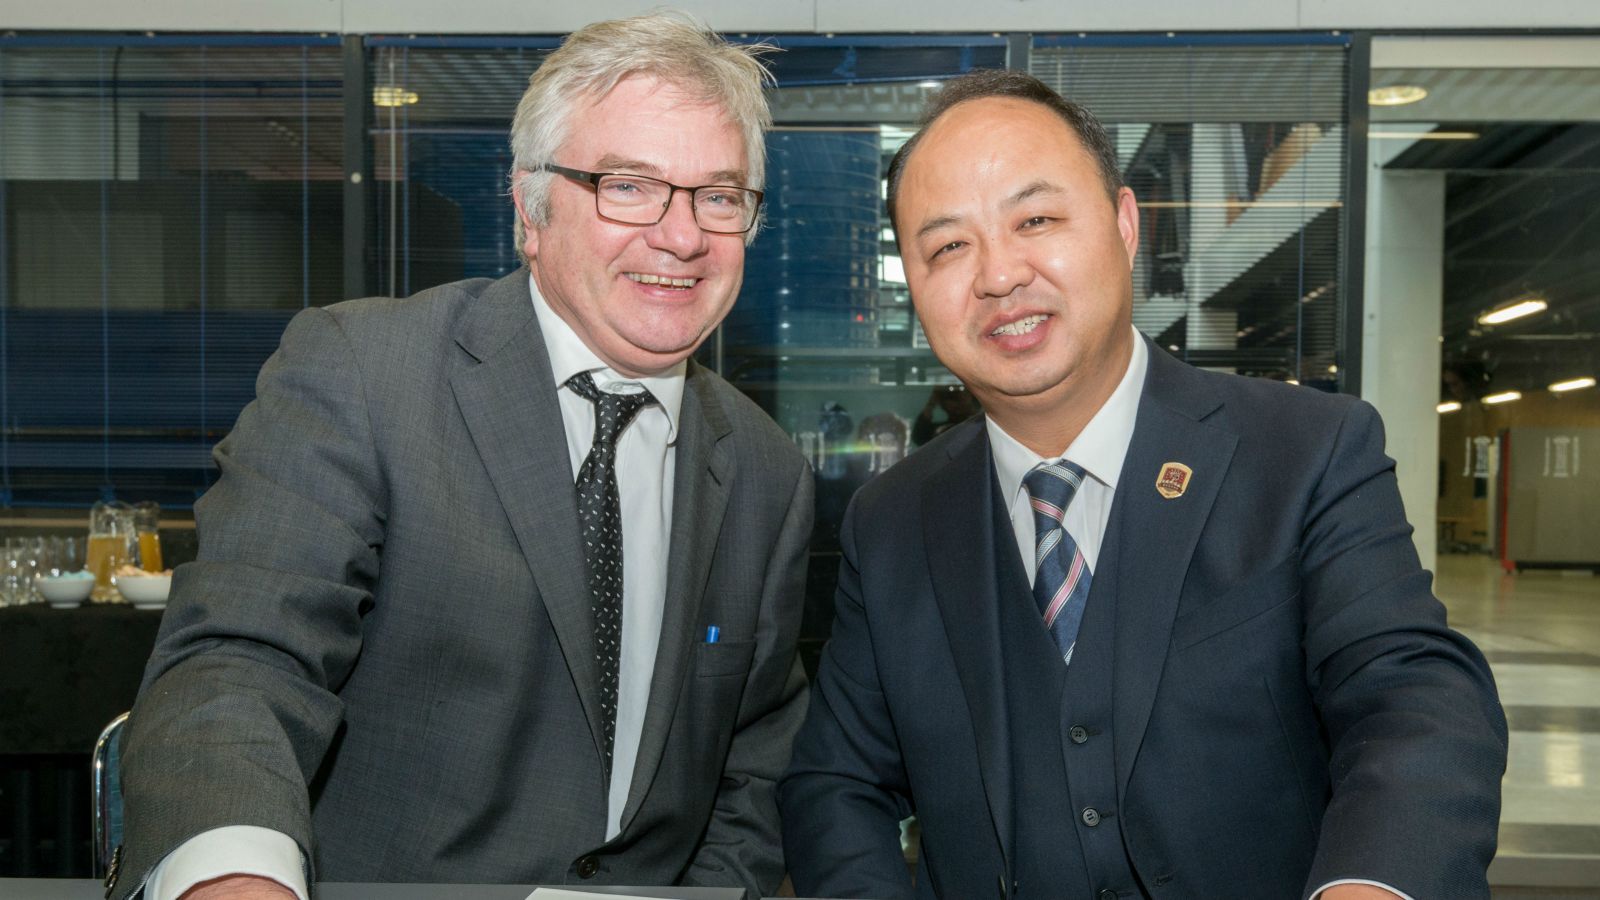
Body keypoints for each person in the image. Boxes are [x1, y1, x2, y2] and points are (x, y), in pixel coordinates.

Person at [112, 13, 812, 900]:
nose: (681, 236)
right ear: (530, 207)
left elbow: (754, 767)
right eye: (628, 185)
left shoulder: (765, 471)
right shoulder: (364, 373)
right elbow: (243, 659)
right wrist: (238, 877)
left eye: (718, 195)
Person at [778, 70, 1507, 900]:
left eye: (1037, 219)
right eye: (947, 246)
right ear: (912, 285)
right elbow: (836, 782)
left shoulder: (1305, 452)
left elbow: (1414, 697)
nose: (1000, 274)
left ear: (1124, 225)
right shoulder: (893, 519)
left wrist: (1371, 885)